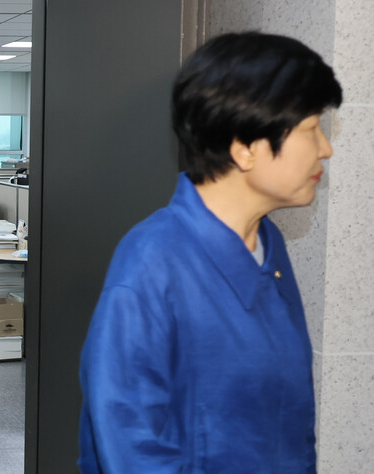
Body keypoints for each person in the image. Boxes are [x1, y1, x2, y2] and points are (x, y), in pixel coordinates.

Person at [78, 32, 342, 472]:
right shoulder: (152, 262)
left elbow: (287, 424)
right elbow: (130, 448)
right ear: (245, 147)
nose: (326, 149)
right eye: (311, 129)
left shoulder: (268, 244)